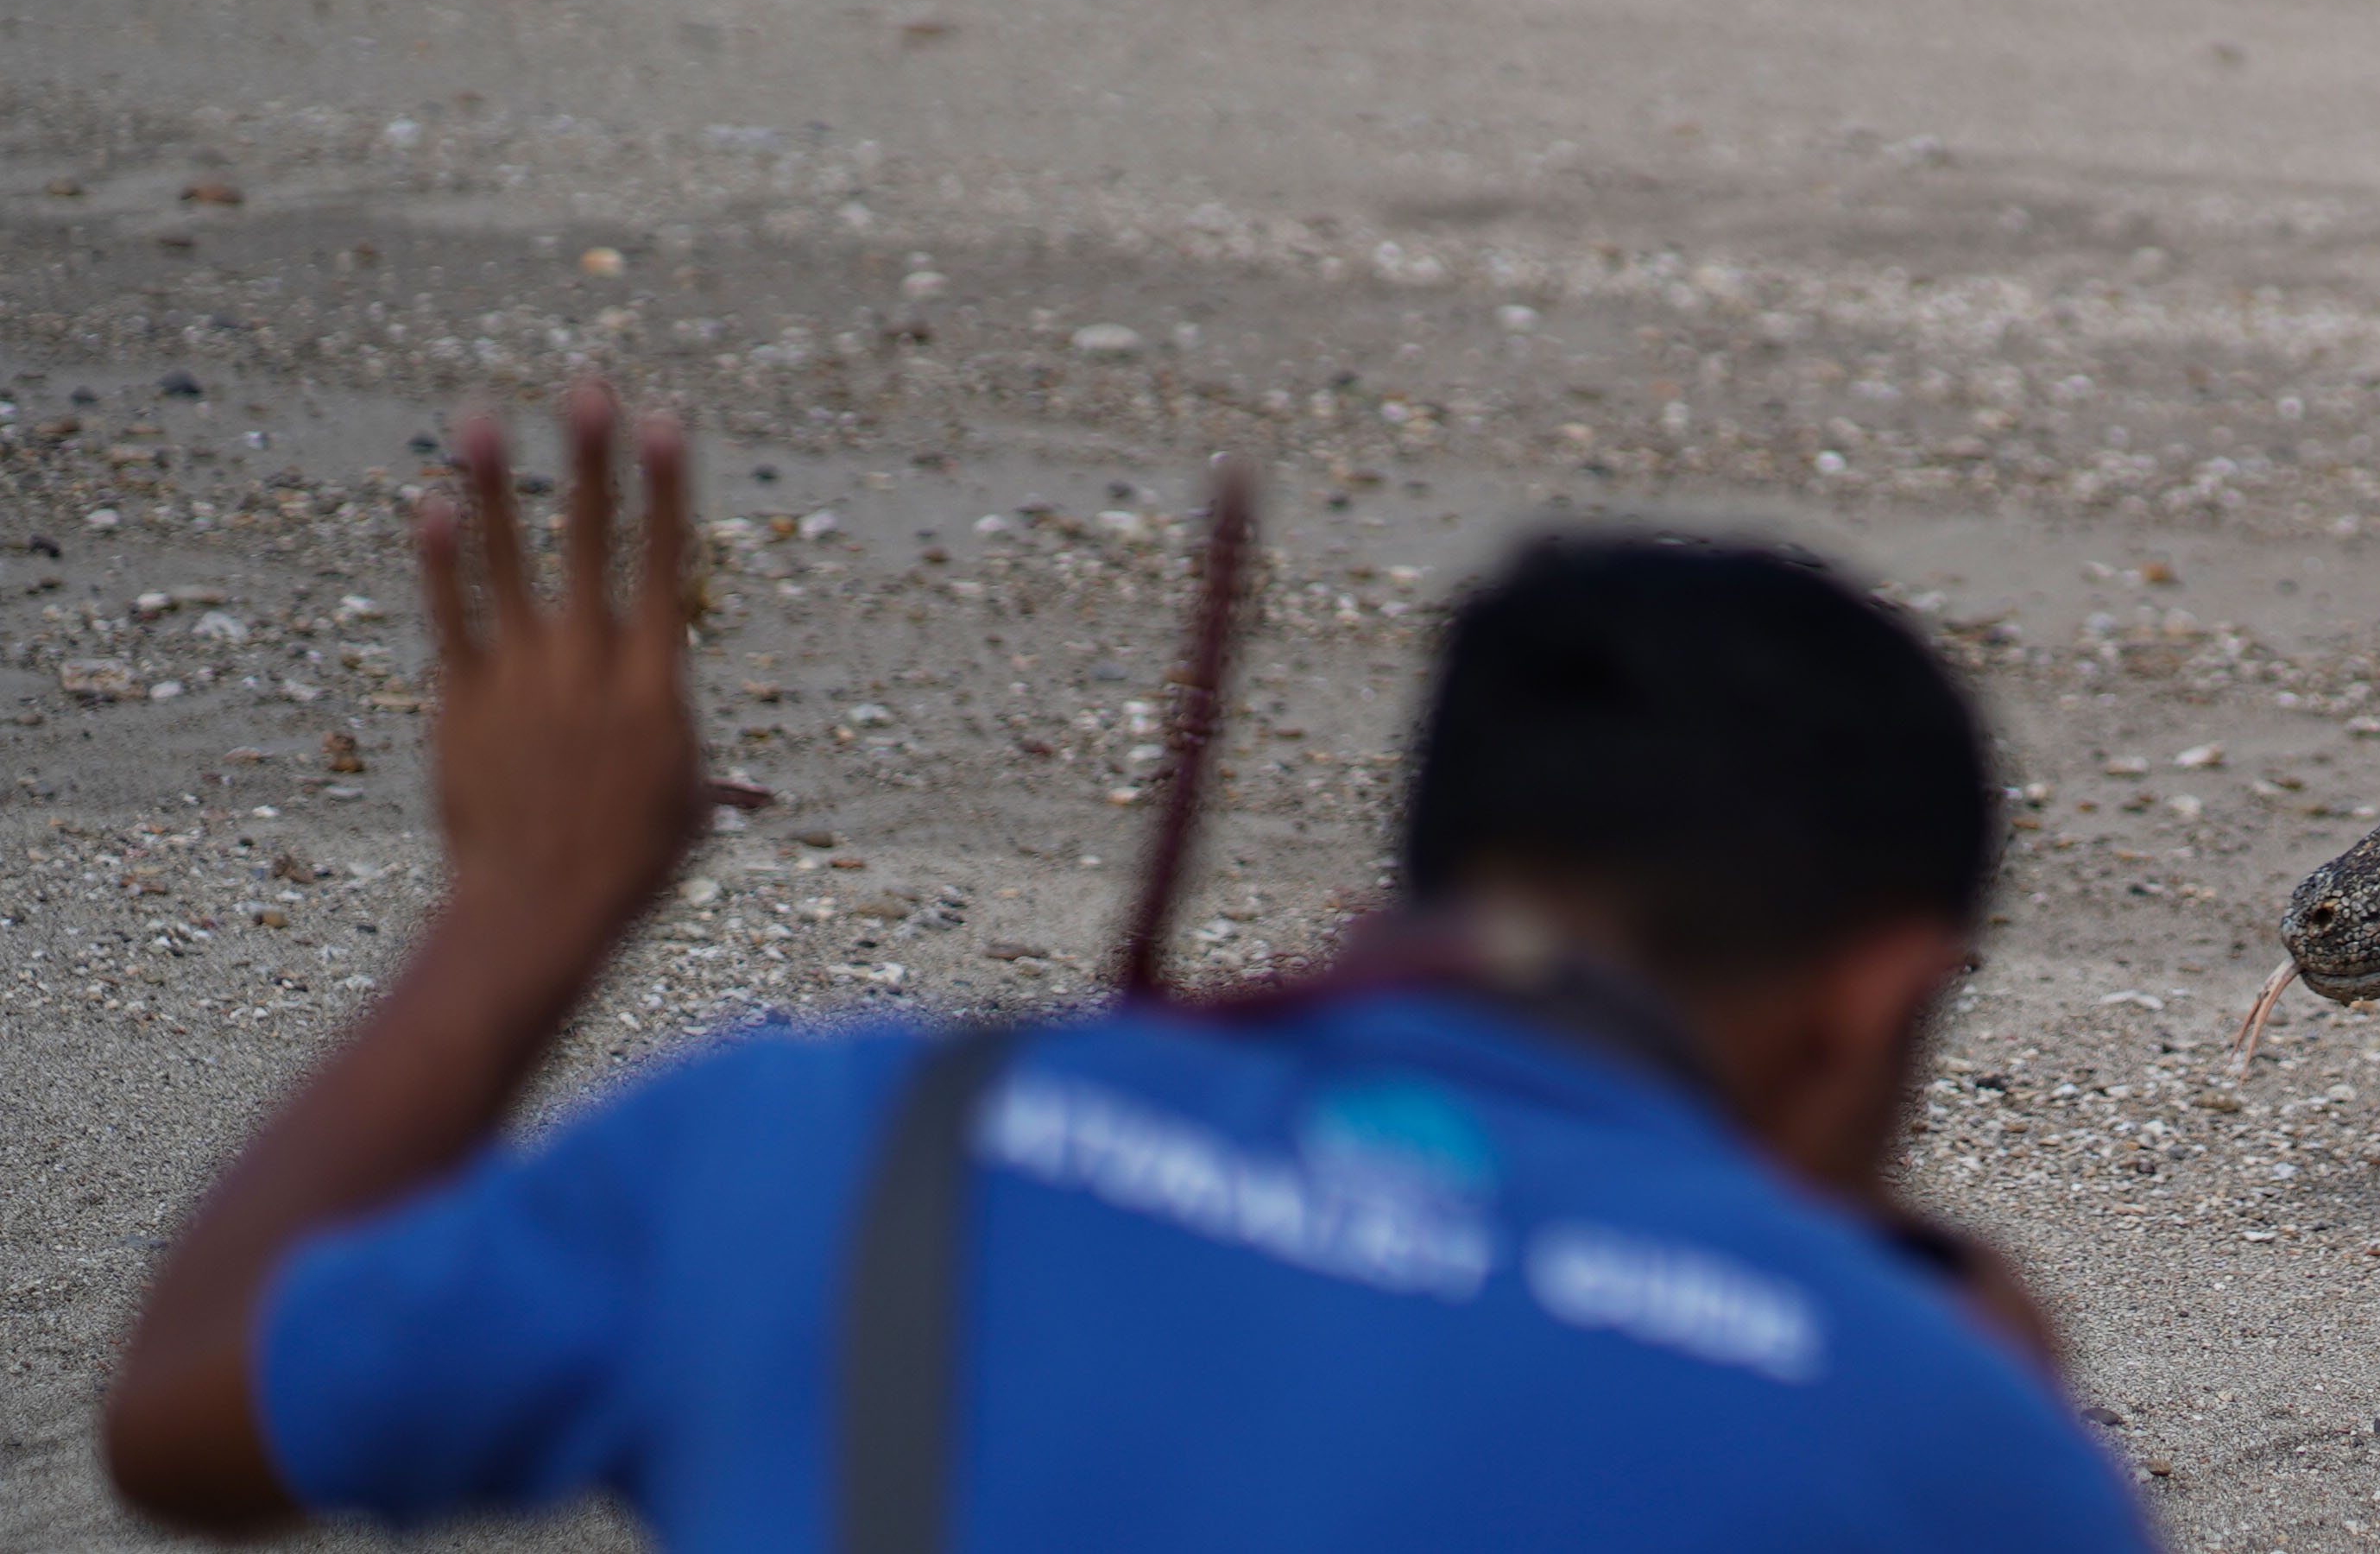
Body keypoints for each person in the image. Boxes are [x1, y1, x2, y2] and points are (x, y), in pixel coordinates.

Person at [99, 381, 2151, 1551]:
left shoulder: (819, 1135)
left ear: (1428, 865)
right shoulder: (1927, 1429)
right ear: (1879, 1005)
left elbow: (189, 1416)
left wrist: (527, 904)